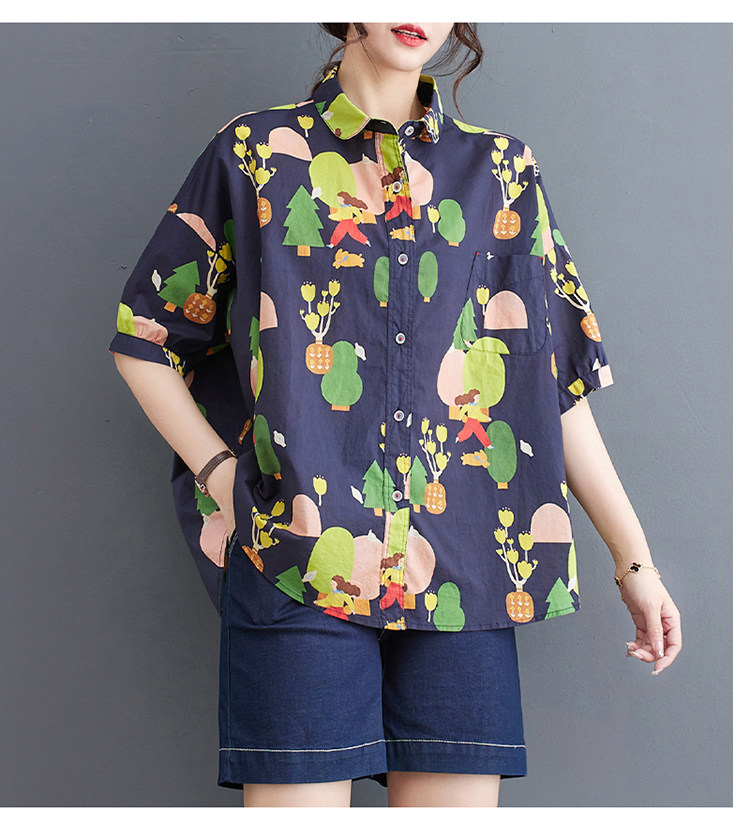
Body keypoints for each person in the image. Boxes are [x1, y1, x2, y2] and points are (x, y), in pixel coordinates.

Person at [110, 22, 682, 808]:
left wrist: (635, 562)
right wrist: (219, 475)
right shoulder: (254, 152)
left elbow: (549, 382)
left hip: (470, 575)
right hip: (298, 558)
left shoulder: (503, 171)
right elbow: (145, 335)